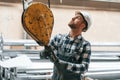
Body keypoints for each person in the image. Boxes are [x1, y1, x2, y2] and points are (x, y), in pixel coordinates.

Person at [40, 10, 92, 80]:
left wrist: (65, 65)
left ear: (83, 25)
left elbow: (84, 68)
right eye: (74, 16)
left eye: (78, 18)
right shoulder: (58, 38)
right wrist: (44, 52)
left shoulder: (85, 45)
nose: (73, 18)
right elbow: (42, 56)